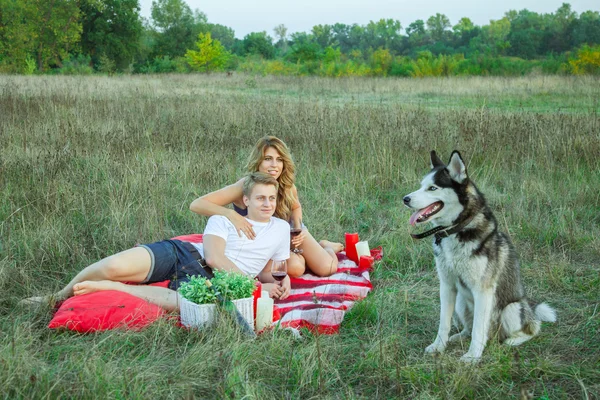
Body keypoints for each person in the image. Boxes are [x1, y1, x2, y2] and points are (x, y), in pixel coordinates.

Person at [22, 172, 291, 311]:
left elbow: (272, 268)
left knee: (182, 304)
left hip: (217, 281)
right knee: (115, 264)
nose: (267, 204)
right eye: (260, 198)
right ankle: (57, 296)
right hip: (183, 254)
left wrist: (280, 283)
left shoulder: (280, 229)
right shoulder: (225, 218)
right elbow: (214, 258)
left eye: (271, 198)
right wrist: (253, 285)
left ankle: (111, 288)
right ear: (246, 200)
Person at [190, 135, 343, 278]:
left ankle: (326, 246)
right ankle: (303, 256)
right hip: (257, 244)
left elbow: (296, 207)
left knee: (327, 268)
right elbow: (196, 204)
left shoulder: (287, 186)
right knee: (296, 267)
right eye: (268, 159)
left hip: (289, 234)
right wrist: (231, 214)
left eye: (279, 159)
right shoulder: (245, 185)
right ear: (258, 162)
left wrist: (298, 226)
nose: (274, 165)